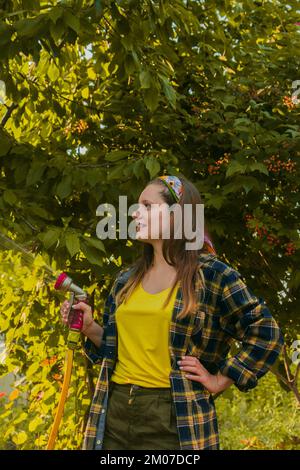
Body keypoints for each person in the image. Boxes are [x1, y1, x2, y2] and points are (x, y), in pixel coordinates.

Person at [60, 175, 284, 450]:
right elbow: (116, 349)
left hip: (173, 419)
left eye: (147, 206)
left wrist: (221, 379)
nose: (135, 213)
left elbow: (266, 331)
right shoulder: (126, 280)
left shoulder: (211, 275)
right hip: (113, 411)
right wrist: (90, 327)